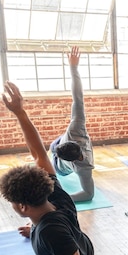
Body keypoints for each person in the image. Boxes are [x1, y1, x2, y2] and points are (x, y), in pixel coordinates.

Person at [0, 81, 94, 255]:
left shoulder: (49, 233)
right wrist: (20, 112)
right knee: (40, 233)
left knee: (44, 241)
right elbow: (38, 152)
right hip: (82, 244)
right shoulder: (53, 191)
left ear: (22, 207)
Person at [49, 46, 95, 202]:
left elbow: (89, 195)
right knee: (48, 156)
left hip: (57, 155)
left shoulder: (84, 169)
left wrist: (73, 67)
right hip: (57, 155)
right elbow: (88, 195)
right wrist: (73, 68)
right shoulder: (77, 129)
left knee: (47, 156)